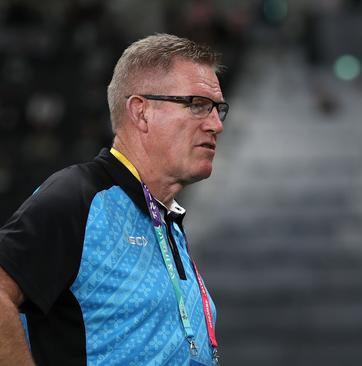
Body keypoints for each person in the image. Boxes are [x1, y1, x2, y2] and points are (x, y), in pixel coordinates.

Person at [0, 33, 228, 365]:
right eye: (198, 105)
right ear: (141, 111)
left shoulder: (166, 221)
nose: (216, 124)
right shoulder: (77, 197)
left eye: (219, 109)